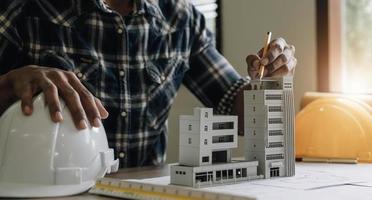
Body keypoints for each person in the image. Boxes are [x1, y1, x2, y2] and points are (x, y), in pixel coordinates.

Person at [0, 0, 296, 168]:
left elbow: (240, 111)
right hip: (47, 191)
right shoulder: (22, 10)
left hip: (147, 193)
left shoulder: (182, 19)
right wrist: (8, 83)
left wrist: (270, 83)